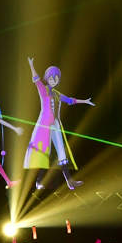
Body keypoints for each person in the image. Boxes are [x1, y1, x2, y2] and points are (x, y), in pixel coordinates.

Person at [23, 57, 93, 190]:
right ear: (47, 78)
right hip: (45, 125)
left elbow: (70, 100)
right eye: (51, 78)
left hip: (55, 125)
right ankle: (38, 181)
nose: (53, 80)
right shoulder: (43, 90)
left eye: (55, 79)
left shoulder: (56, 94)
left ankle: (70, 182)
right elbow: (36, 80)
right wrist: (31, 65)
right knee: (44, 152)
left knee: (61, 152)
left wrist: (84, 101)